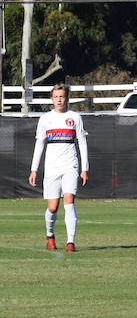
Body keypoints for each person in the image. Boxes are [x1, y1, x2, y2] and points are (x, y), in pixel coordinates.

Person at [28, 84, 89, 253]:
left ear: (67, 98)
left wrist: (84, 168)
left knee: (69, 202)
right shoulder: (45, 119)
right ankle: (49, 235)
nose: (59, 100)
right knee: (53, 207)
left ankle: (70, 242)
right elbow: (39, 144)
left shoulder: (75, 118)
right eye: (56, 97)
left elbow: (82, 143)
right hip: (52, 168)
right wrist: (34, 169)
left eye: (62, 96)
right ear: (52, 99)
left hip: (70, 166)